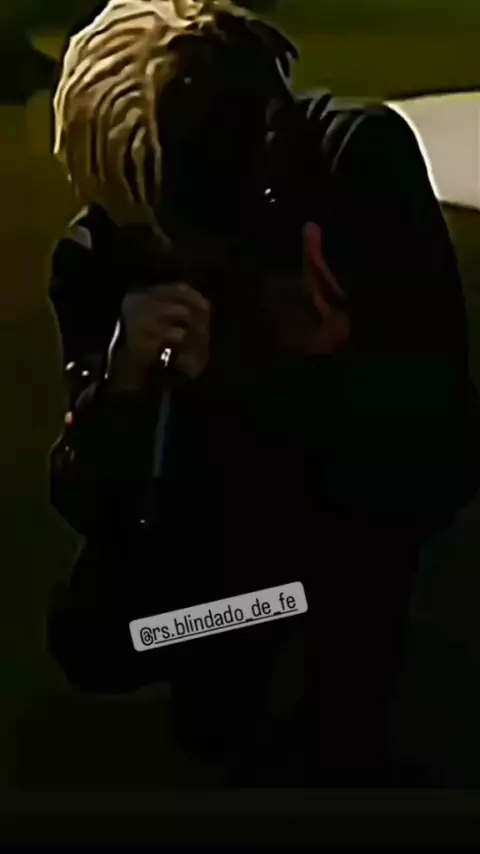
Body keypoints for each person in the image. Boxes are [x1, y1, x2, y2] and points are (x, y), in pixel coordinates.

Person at [47, 0, 480, 786]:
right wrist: (123, 386)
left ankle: (327, 691)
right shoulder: (99, 256)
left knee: (346, 607)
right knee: (105, 641)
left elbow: (437, 451)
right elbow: (88, 499)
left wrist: (308, 368)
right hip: (234, 545)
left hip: (342, 518)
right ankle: (257, 633)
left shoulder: (351, 165)